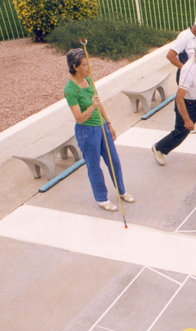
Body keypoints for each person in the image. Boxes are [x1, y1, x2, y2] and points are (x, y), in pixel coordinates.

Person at [64, 48, 134, 211]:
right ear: (75, 67)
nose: (88, 67)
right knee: (94, 166)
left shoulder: (89, 80)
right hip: (87, 131)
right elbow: (79, 118)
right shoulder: (70, 90)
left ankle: (121, 191)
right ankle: (101, 198)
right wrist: (92, 106)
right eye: (84, 64)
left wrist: (108, 123)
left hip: (101, 126)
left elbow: (98, 102)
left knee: (114, 160)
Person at [152, 41, 196, 175]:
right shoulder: (188, 70)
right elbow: (179, 98)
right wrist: (187, 120)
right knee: (180, 134)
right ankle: (158, 148)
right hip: (186, 104)